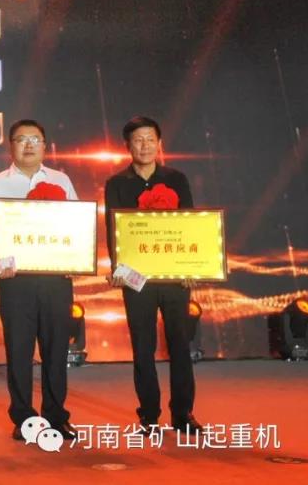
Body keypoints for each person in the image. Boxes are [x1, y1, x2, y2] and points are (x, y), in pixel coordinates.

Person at [0, 119, 78, 441]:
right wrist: (0, 264)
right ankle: (23, 418)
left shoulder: (61, 180)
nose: (29, 145)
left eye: (35, 139)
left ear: (45, 146)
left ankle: (56, 416)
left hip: (55, 279)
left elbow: (77, 225)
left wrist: (75, 258)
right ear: (11, 146)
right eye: (22, 139)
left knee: (56, 349)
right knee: (19, 351)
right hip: (15, 281)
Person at [105, 115, 202, 435]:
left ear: (159, 143)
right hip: (137, 279)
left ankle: (183, 413)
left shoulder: (177, 179)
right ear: (127, 145)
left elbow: (189, 223)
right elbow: (114, 230)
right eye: (138, 140)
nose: (144, 145)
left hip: (175, 277)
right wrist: (119, 268)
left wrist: (191, 266)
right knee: (142, 347)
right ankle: (148, 415)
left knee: (180, 344)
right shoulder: (116, 184)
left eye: (150, 139)